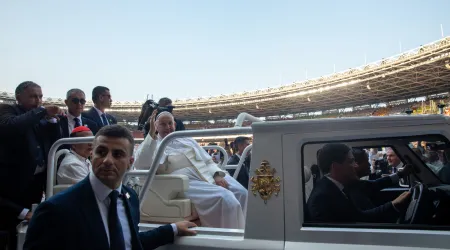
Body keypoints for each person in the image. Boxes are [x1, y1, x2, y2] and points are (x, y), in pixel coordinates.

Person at [24, 125, 196, 250]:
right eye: (101, 152)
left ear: (130, 163)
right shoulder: (55, 210)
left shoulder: (130, 198)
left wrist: (172, 230)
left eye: (118, 154)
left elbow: (129, 241)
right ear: (92, 156)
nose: (107, 160)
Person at [133, 111, 248, 229]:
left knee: (242, 193)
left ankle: (245, 232)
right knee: (227, 200)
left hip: (208, 173)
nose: (168, 127)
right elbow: (141, 163)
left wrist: (216, 174)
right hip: (183, 182)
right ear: (156, 126)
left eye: (170, 123)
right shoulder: (152, 144)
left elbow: (207, 160)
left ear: (174, 125)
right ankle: (230, 239)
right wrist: (151, 135)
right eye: (163, 124)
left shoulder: (187, 140)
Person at [0, 81, 62, 249]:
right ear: (18, 97)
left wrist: (53, 121)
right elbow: (11, 126)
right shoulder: (7, 109)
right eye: (33, 96)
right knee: (9, 227)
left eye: (40, 96)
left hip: (34, 184)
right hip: (12, 183)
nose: (38, 100)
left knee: (30, 228)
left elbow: (56, 142)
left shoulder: (38, 117)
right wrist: (42, 111)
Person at [306, 143, 411, 223]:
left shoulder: (336, 186)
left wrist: (401, 174)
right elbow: (359, 219)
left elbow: (373, 185)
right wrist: (393, 205)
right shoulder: (323, 198)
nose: (356, 166)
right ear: (336, 167)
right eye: (351, 161)